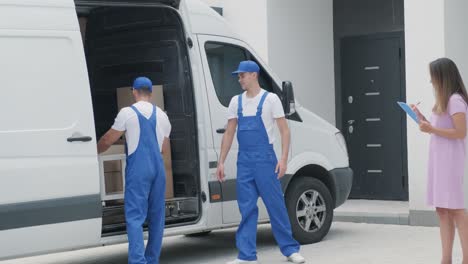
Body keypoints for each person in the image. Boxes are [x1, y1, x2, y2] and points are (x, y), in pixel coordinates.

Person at [216, 60, 306, 264]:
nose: (239, 79)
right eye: (238, 76)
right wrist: (221, 161)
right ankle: (247, 256)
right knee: (246, 208)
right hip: (244, 162)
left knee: (275, 205)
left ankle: (291, 250)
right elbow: (229, 133)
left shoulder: (271, 99)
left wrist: (283, 160)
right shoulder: (235, 102)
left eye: (242, 75)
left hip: (266, 161)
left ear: (254, 75)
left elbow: (284, 130)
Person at [97, 76, 171, 264]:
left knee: (135, 217)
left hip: (139, 169)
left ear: (134, 92)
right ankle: (151, 260)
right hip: (158, 170)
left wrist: (92, 151)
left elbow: (108, 140)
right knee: (156, 218)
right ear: (151, 93)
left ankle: (138, 261)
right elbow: (164, 148)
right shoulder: (162, 115)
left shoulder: (127, 113)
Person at [412, 58, 468, 264]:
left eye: (433, 76)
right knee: (442, 209)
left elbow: (461, 132)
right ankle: (446, 259)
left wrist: (432, 129)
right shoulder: (444, 101)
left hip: (450, 163)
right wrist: (423, 119)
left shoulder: (455, 100)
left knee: (456, 209)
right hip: (439, 161)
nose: (430, 80)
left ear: (442, 77)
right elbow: (442, 129)